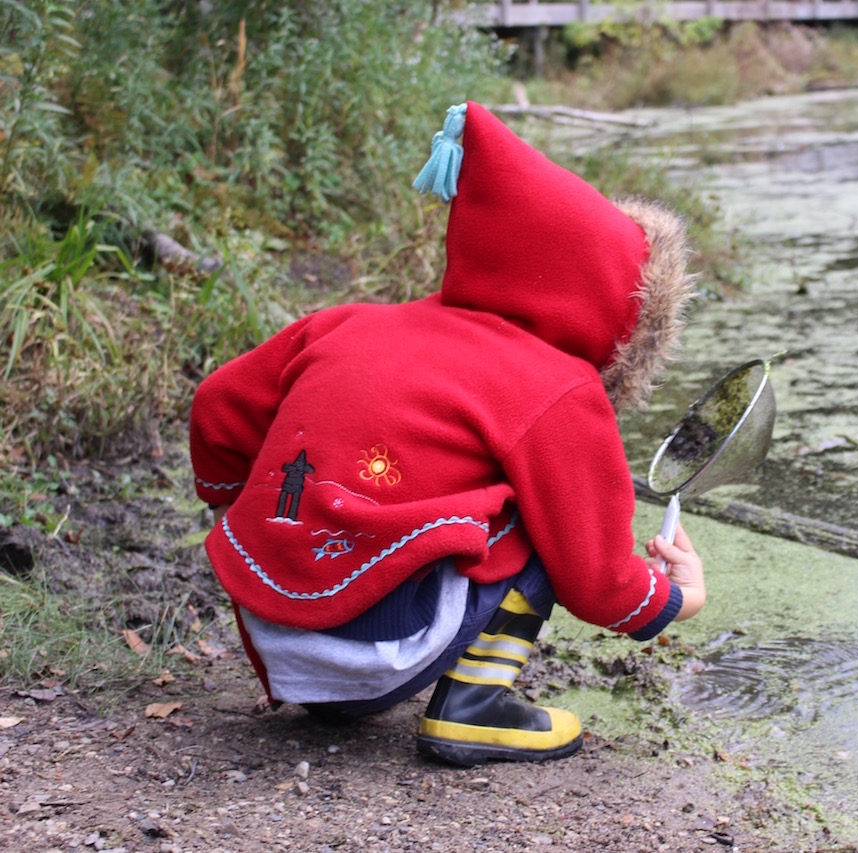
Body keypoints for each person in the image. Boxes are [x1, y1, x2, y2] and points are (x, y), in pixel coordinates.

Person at [188, 102, 705, 768]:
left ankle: (335, 664)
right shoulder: (561, 387)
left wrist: (245, 505)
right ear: (613, 302)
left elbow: (217, 403)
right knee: (549, 514)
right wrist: (676, 599)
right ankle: (475, 707)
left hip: (270, 627)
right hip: (378, 654)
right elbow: (593, 576)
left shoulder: (347, 322)